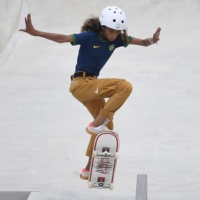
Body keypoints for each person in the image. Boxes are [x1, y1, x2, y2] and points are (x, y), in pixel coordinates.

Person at [19, 5, 161, 180]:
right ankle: (96, 123)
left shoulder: (117, 40)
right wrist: (37, 32)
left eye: (118, 32)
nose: (114, 36)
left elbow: (142, 43)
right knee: (125, 86)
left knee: (106, 129)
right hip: (80, 84)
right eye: (111, 31)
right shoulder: (89, 37)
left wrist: (152, 40)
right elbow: (63, 38)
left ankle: (88, 169)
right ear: (102, 27)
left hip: (91, 86)